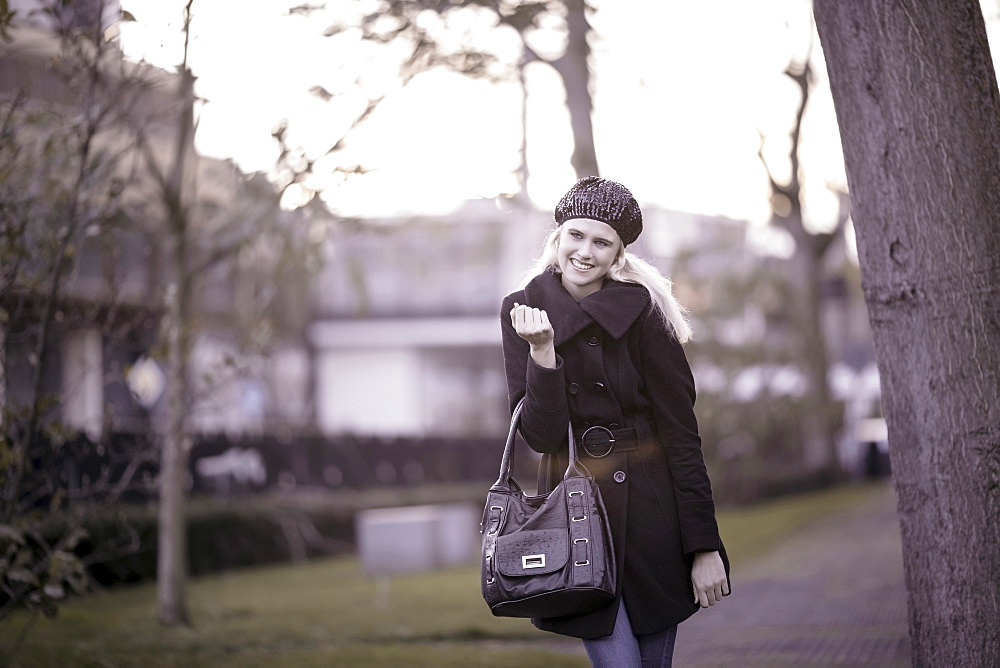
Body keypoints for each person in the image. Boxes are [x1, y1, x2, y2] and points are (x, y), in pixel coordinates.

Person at [500, 176, 730, 667]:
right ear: (557, 237)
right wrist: (542, 352)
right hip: (576, 513)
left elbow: (682, 436)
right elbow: (539, 437)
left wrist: (704, 546)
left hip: (652, 515)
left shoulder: (643, 313)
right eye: (576, 236)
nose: (585, 252)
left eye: (602, 242)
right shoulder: (522, 313)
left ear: (619, 254)